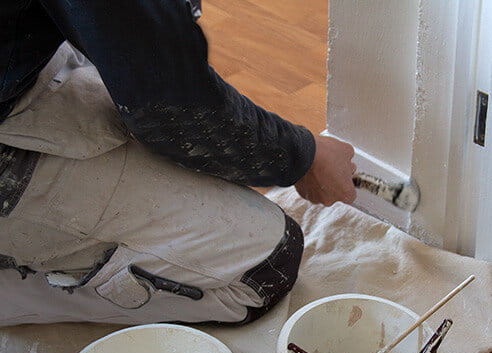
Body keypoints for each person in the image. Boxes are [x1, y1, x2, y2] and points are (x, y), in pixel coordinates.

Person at [0, 0, 356, 327]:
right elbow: (171, 110)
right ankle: (17, 288)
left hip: (29, 67)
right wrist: (301, 157)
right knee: (265, 269)